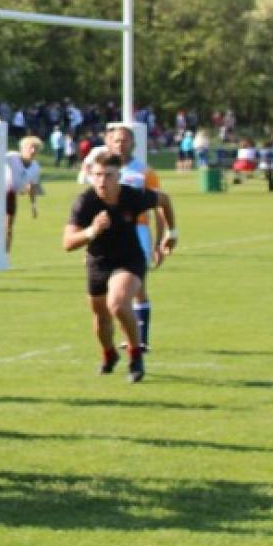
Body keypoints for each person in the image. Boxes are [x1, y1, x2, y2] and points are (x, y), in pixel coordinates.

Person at [62, 150, 177, 383]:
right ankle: (109, 353)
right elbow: (67, 243)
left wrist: (171, 232)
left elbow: (164, 200)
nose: (102, 181)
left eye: (108, 175)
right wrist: (92, 231)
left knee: (118, 304)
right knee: (101, 318)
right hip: (98, 261)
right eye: (97, 175)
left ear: (118, 177)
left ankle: (135, 356)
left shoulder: (133, 196)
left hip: (129, 259)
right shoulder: (85, 203)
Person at [94, 125, 166, 352]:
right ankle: (126, 333)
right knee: (106, 291)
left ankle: (140, 339)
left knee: (137, 287)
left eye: (124, 140)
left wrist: (161, 240)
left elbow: (159, 207)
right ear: (108, 142)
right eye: (116, 140)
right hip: (106, 235)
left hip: (137, 232)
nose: (120, 144)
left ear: (133, 143)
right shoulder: (99, 170)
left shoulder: (144, 172)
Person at [5, 136, 43, 250]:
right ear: (22, 148)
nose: (33, 151)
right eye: (30, 147)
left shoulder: (35, 167)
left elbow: (31, 186)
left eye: (36, 148)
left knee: (8, 226)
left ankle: (4, 255)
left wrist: (33, 205)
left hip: (10, 195)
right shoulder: (11, 157)